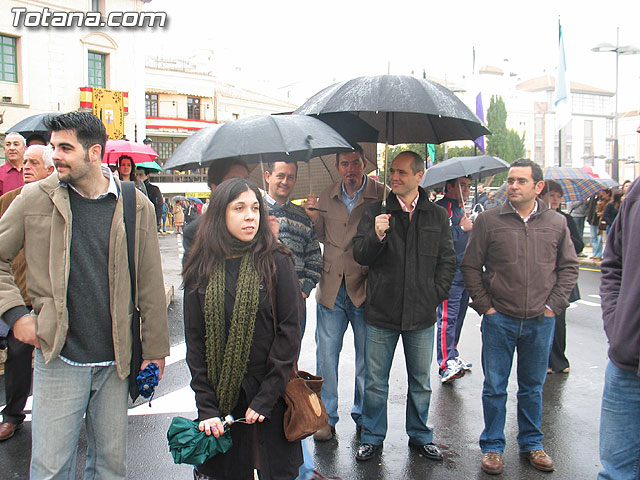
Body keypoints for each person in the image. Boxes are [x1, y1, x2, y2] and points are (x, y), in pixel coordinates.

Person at [0, 112, 170, 479]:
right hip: (59, 356)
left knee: (110, 467)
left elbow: (150, 284)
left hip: (115, 362)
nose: (54, 155)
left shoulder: (135, 204)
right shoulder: (35, 198)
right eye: (52, 146)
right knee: (50, 468)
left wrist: (155, 351)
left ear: (94, 152)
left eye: (64, 147)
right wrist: (17, 314)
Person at [461, 158, 579, 475]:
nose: (512, 186)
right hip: (500, 320)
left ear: (538, 187)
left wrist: (555, 305)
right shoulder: (489, 220)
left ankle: (531, 443)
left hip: (541, 321)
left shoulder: (556, 223)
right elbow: (471, 266)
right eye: (510, 180)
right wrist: (486, 307)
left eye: (520, 181)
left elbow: (569, 268)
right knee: (495, 387)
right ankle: (493, 447)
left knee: (532, 388)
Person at [182, 178, 303, 480]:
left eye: (255, 208)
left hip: (271, 396)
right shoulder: (201, 268)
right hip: (224, 402)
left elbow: (290, 331)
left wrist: (267, 396)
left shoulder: (276, 260)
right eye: (239, 208)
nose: (250, 215)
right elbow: (195, 343)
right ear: (220, 215)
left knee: (277, 473)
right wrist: (207, 407)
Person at [352, 151, 456, 462]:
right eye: (392, 172)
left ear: (419, 176)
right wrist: (376, 234)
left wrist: (433, 294)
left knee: (421, 382)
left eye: (402, 173)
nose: (394, 178)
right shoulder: (376, 211)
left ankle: (420, 435)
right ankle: (372, 436)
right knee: (375, 382)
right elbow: (360, 255)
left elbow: (447, 261)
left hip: (421, 314)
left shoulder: (436, 215)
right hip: (381, 312)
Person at [302, 145, 386, 441]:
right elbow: (320, 236)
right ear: (337, 167)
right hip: (331, 288)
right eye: (344, 164)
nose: (350, 169)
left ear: (365, 164)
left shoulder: (381, 194)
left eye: (355, 163)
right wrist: (313, 217)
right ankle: (327, 417)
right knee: (326, 357)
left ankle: (363, 416)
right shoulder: (326, 195)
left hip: (364, 287)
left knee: (367, 358)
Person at [0, 144, 55, 441]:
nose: (26, 168)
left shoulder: (61, 201)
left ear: (51, 170)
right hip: (19, 295)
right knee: (18, 355)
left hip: (53, 297)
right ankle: (12, 415)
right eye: (24, 163)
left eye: (34, 163)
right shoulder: (9, 200)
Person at [599, 178, 640, 480]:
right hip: (626, 364)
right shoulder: (637, 192)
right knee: (616, 473)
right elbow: (612, 264)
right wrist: (617, 325)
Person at [264, 160, 322, 336]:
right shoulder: (254, 212)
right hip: (262, 299)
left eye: (290, 177)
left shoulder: (303, 216)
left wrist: (305, 289)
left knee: (291, 355)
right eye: (280, 176)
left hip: (295, 301)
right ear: (267, 176)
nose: (285, 181)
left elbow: (314, 257)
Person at [538, 180, 584, 374]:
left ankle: (559, 359)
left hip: (560, 278)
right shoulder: (538, 219)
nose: (555, 199)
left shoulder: (565, 220)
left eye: (559, 196)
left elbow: (579, 245)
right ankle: (544, 360)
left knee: (559, 321)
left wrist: (563, 233)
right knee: (543, 321)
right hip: (541, 277)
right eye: (552, 195)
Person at [435, 176, 473, 383]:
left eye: (467, 186)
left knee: (458, 318)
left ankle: (453, 355)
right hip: (449, 273)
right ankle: (445, 362)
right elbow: (439, 239)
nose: (466, 190)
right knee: (447, 319)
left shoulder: (462, 209)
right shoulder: (440, 209)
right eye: (461, 185)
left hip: (466, 271)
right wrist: (461, 229)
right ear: (449, 186)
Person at [182, 158, 250, 261]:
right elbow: (191, 274)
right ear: (214, 187)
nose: (243, 187)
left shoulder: (257, 225)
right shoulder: (195, 232)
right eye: (234, 180)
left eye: (246, 180)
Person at [135, 166, 164, 231]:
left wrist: (156, 223)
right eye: (136, 175)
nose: (138, 177)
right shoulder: (133, 187)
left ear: (147, 175)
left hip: (149, 223)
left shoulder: (154, 190)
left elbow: (158, 207)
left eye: (141, 175)